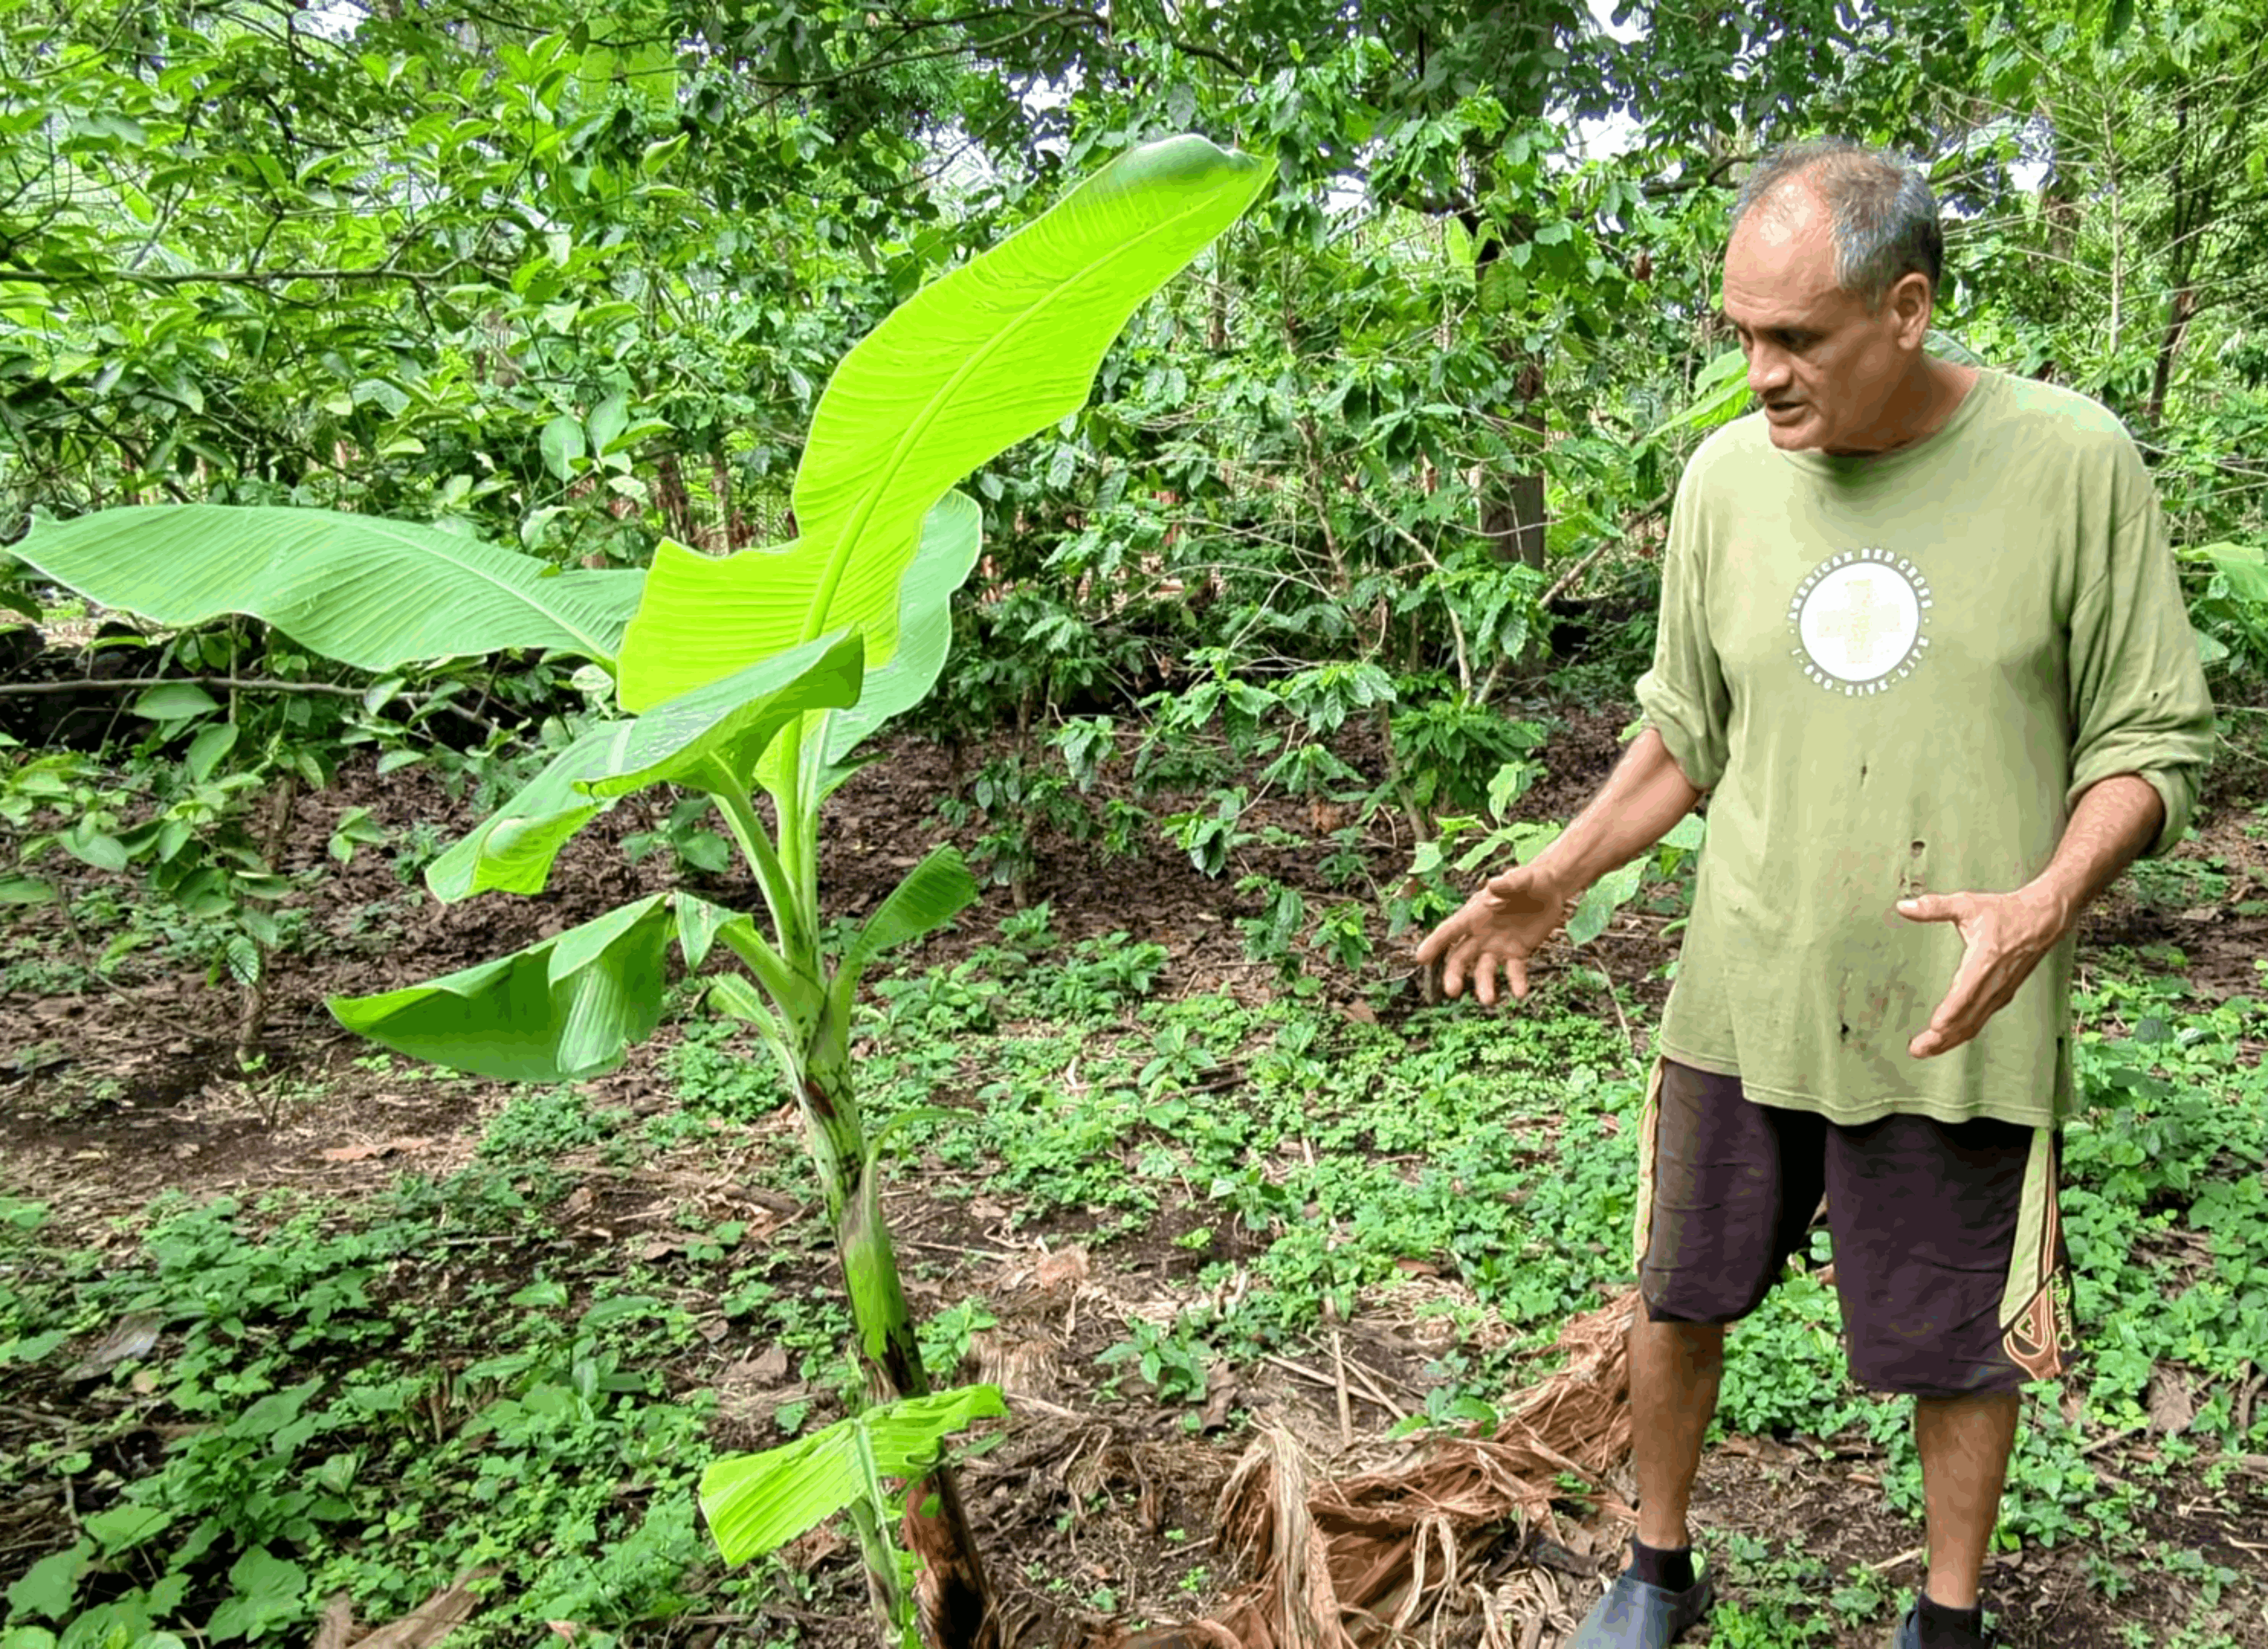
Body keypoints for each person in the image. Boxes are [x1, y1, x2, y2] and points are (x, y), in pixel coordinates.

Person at [1415, 139, 2217, 1649]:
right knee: (1681, 1287)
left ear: (1907, 310)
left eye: (1799, 340)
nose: (1762, 376)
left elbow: (2152, 740)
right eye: (1743, 337)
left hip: (1952, 1006)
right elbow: (1687, 732)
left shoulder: (2069, 462)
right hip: (1749, 980)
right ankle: (1656, 1567)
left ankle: (1948, 1615)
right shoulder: (1726, 479)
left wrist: (2046, 897)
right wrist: (1557, 877)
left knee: (1960, 1332)